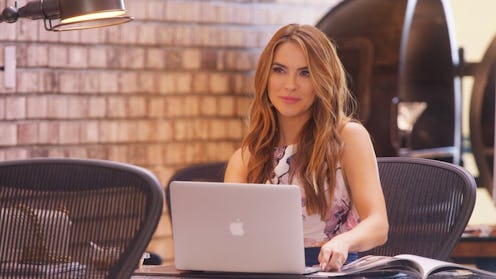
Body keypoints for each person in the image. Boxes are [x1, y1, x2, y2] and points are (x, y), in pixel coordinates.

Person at [224, 23, 389, 272]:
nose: (290, 85)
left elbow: (378, 225)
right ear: (265, 77)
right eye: (279, 70)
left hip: (332, 271)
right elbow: (229, 234)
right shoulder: (246, 157)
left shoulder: (349, 138)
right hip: (264, 271)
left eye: (305, 73)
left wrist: (343, 242)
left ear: (323, 79)